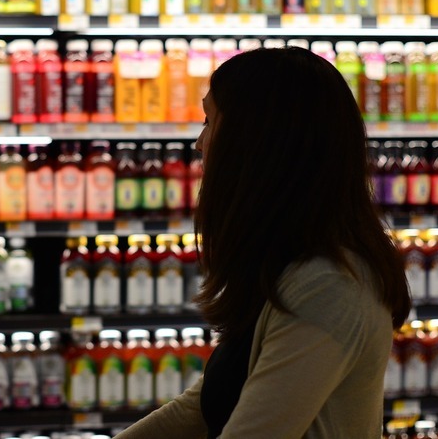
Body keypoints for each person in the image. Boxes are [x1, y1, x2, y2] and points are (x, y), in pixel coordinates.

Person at [114, 47, 411, 438]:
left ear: (255, 144)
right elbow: (199, 409)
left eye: (209, 121)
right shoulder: (287, 262)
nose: (200, 143)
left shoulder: (328, 286)